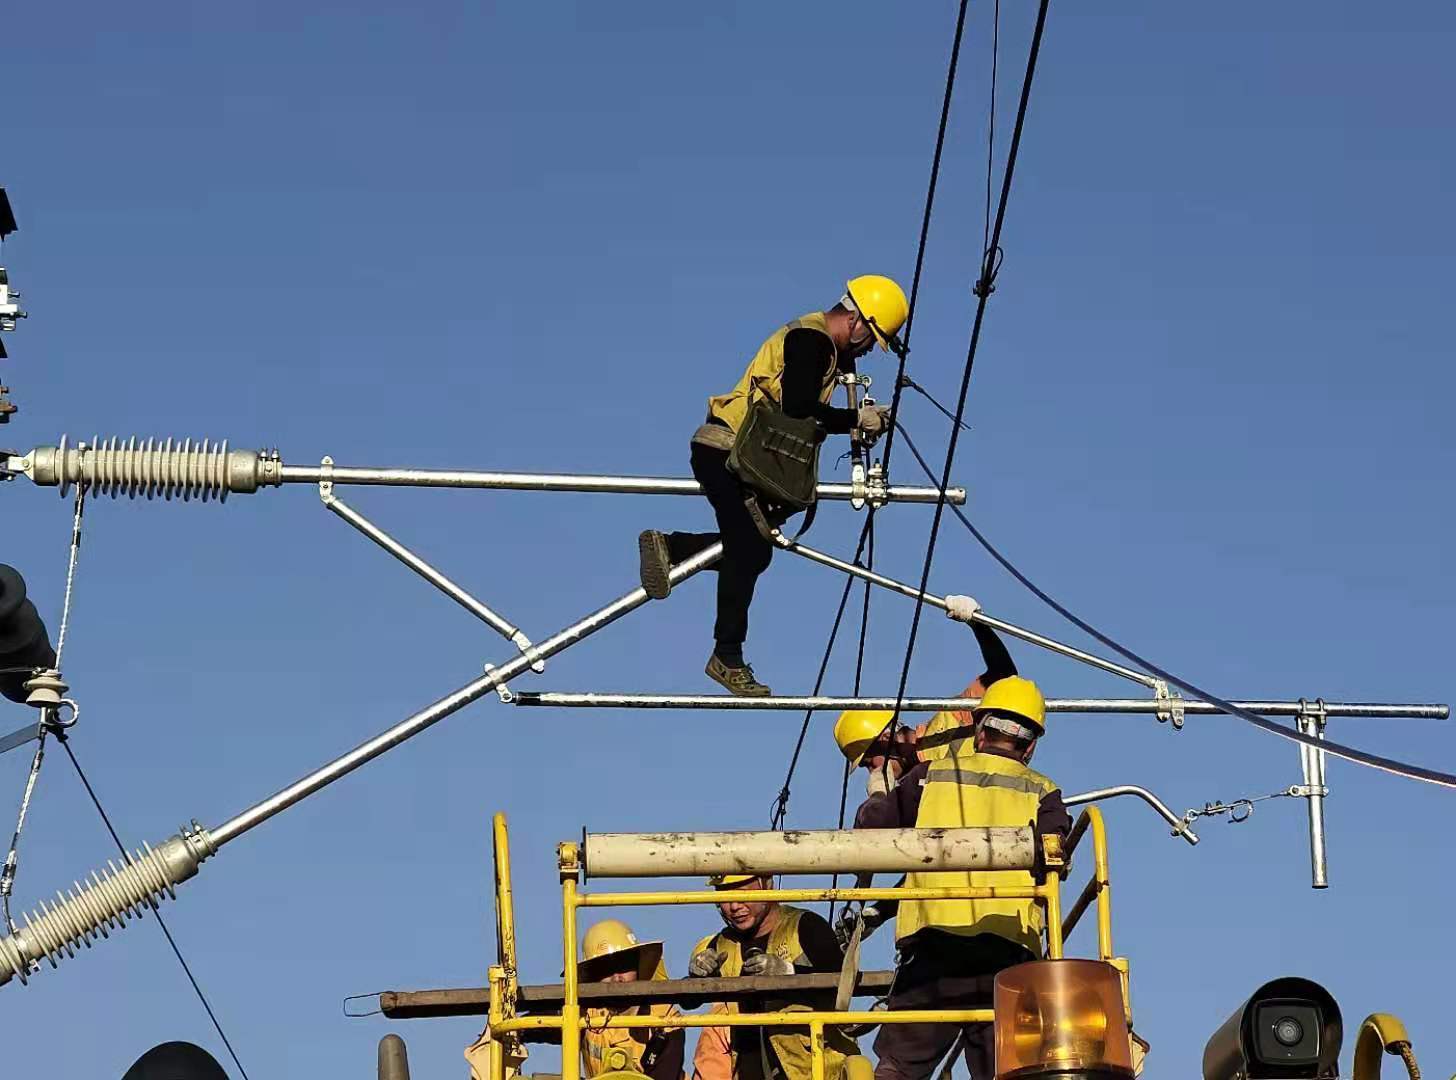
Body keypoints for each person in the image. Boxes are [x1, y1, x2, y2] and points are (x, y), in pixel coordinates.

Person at [638, 276, 909, 697]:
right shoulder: (812, 342)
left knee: (753, 549)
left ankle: (673, 549)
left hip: (739, 457)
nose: (869, 349)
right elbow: (799, 407)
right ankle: (726, 655)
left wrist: (858, 412)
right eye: (871, 338)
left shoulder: (825, 347)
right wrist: (856, 420)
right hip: (726, 452)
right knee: (747, 547)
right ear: (855, 320)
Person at [850, 677, 1071, 1080]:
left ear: (979, 727)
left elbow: (871, 831)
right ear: (1032, 743)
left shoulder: (930, 775)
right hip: (1008, 955)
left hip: (935, 949)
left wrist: (880, 790)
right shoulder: (1044, 791)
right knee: (1008, 1070)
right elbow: (1055, 854)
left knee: (900, 1066)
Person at [689, 874, 857, 1080]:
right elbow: (689, 1002)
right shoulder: (721, 944)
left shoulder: (805, 926)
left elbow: (843, 984)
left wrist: (788, 972)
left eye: (742, 894)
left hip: (812, 1069)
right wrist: (697, 976)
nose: (734, 906)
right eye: (724, 896)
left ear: (767, 884)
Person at [832, 596, 1015, 773]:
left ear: (886, 739)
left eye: (869, 763)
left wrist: (978, 624)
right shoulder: (907, 793)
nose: (873, 772)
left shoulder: (951, 722)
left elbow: (1004, 677)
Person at [577, 918, 686, 1080]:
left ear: (637, 965)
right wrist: (524, 1028)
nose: (617, 978)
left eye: (623, 966)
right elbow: (543, 1022)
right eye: (606, 970)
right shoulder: (583, 1013)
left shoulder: (666, 1021)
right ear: (594, 976)